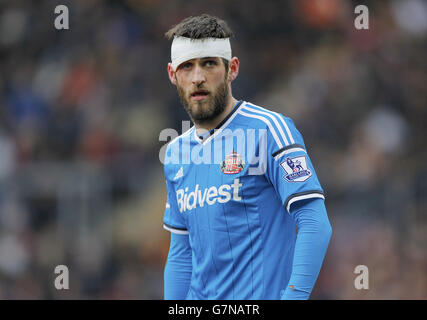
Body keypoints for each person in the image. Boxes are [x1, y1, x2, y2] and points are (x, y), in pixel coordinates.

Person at [162, 14, 332, 300]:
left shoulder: (270, 130)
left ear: (232, 69)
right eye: (187, 66)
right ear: (172, 74)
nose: (198, 77)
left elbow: (315, 222)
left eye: (209, 63)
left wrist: (293, 297)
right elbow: (181, 253)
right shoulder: (175, 155)